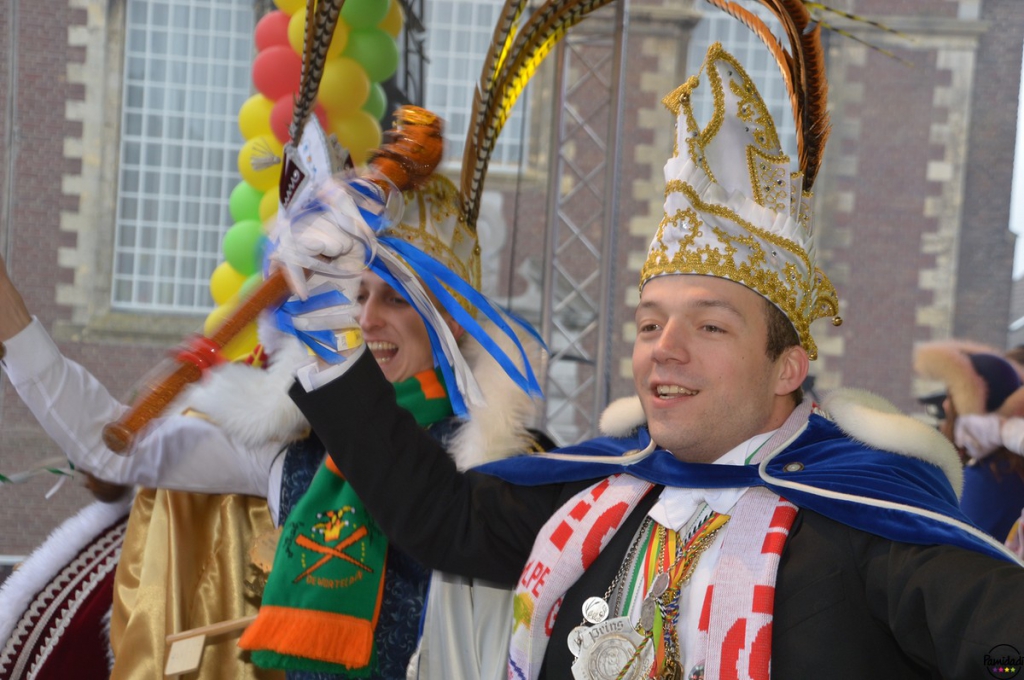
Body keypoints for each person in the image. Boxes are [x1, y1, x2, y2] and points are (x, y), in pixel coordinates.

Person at [273, 19, 1024, 680]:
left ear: (787, 368)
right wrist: (330, 327)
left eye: (710, 326)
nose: (665, 350)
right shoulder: (598, 491)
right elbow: (438, 515)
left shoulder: (868, 519)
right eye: (648, 325)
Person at [0, 159, 549, 678]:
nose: (367, 318)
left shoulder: (505, 468)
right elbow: (112, 451)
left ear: (451, 322)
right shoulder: (295, 442)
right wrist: (10, 319)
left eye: (396, 300)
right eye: (357, 296)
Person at [914, 340, 1024, 541]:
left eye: (952, 395)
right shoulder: (1008, 469)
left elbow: (956, 549)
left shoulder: (986, 480)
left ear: (972, 409)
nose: (945, 405)